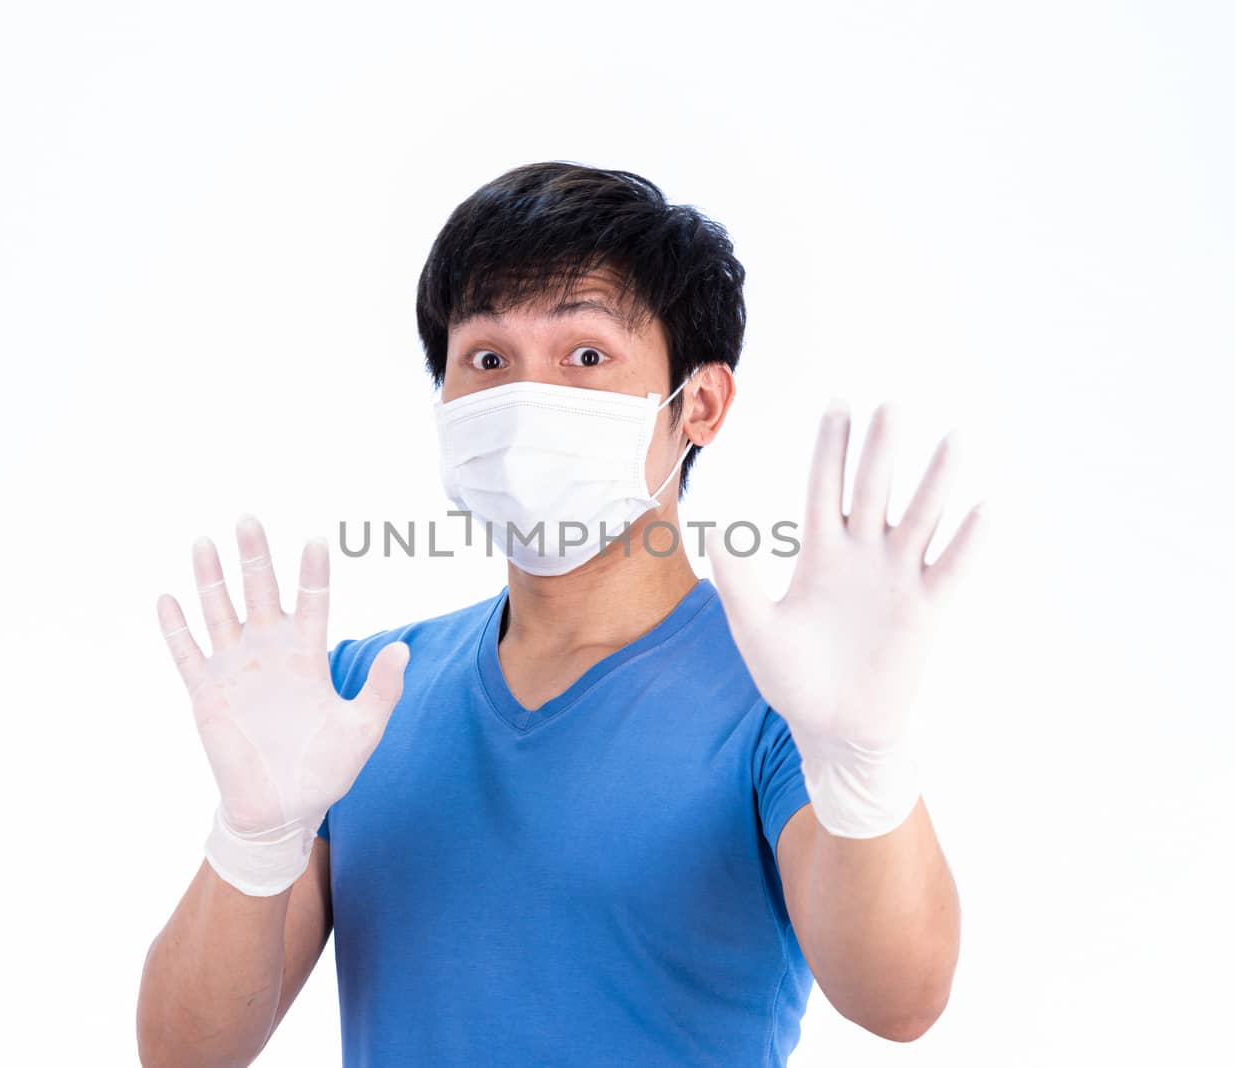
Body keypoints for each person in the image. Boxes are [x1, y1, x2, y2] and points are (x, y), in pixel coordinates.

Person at [136, 161, 986, 1067]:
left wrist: (862, 763)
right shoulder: (357, 699)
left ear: (699, 403)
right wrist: (254, 841)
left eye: (586, 355)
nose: (525, 397)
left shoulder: (783, 703)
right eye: (488, 359)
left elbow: (900, 1000)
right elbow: (186, 1055)